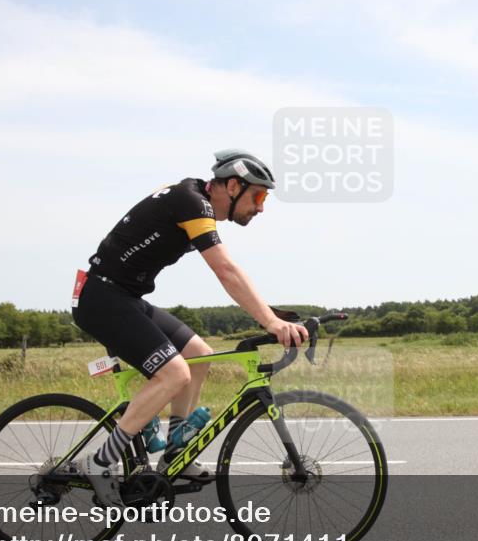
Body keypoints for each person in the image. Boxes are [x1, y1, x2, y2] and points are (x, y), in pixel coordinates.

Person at [72, 149, 308, 506]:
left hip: (126, 297)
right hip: (102, 298)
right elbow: (225, 270)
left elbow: (232, 275)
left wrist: (277, 316)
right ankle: (100, 461)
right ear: (232, 186)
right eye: (258, 196)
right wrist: (270, 322)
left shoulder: (195, 200)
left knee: (199, 354)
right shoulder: (191, 202)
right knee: (175, 374)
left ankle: (174, 453)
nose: (261, 208)